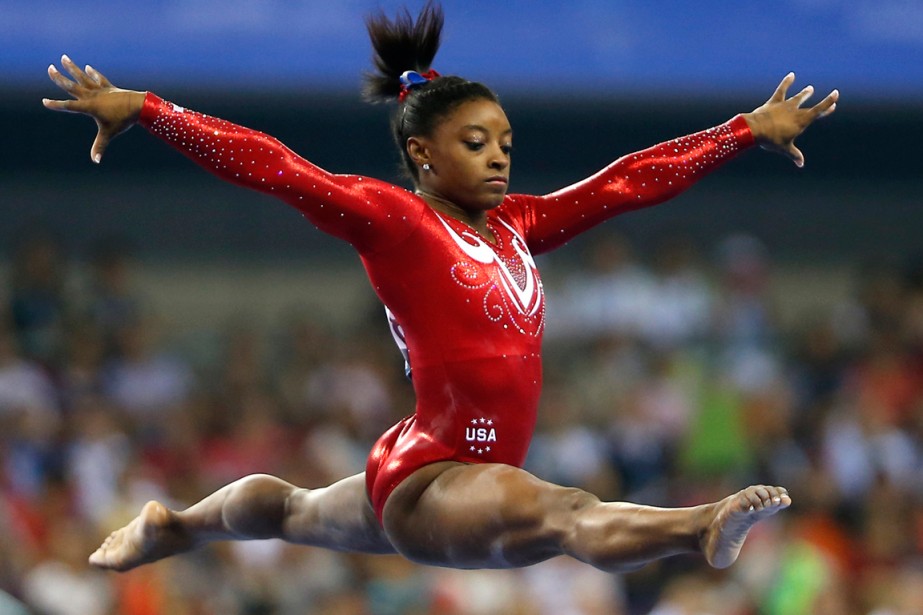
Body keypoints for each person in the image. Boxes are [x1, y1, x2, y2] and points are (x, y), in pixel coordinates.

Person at [43, 3, 837, 575]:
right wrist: (150, 110)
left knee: (290, 510)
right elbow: (275, 165)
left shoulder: (517, 225)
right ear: (422, 152)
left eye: (505, 143)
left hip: (426, 465)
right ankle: (698, 526)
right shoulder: (394, 220)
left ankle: (173, 523)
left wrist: (738, 131)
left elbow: (627, 182)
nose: (499, 157)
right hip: (438, 477)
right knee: (560, 512)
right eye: (476, 142)